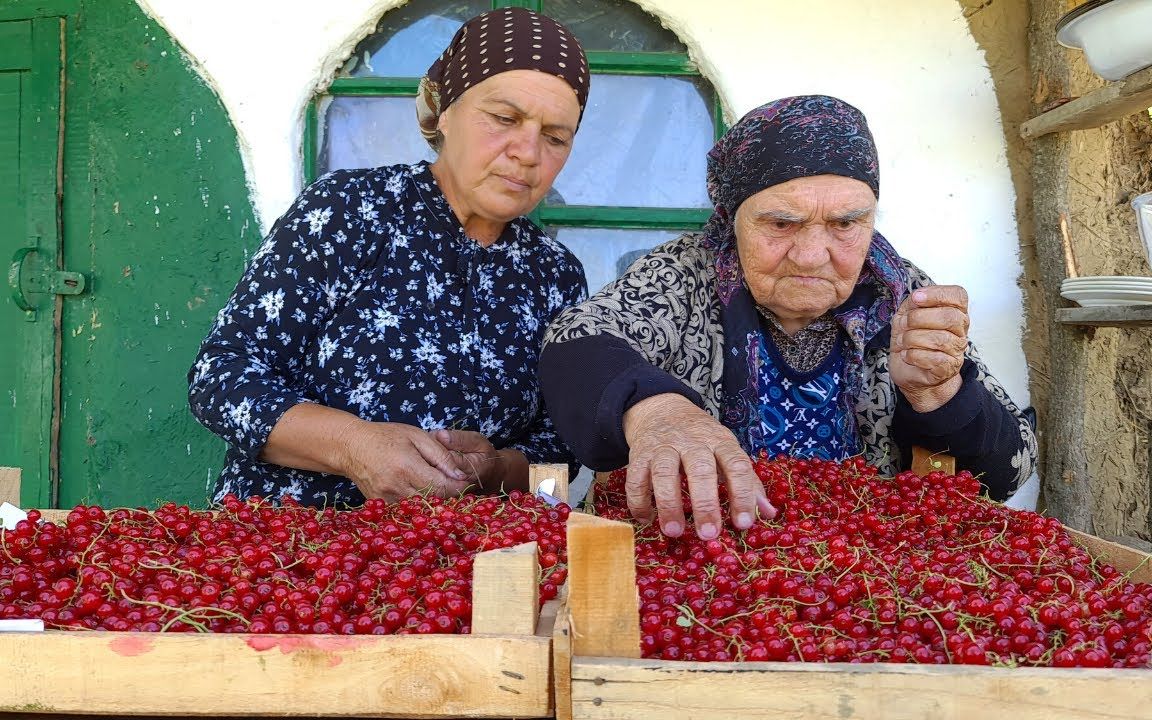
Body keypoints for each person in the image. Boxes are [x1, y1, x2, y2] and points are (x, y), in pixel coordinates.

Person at [539, 95, 1037, 540]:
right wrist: (656, 411)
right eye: (782, 223)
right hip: (699, 565)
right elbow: (575, 341)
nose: (812, 255)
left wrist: (938, 397)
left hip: (858, 580)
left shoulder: (905, 295)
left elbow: (1009, 470)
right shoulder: (682, 275)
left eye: (846, 223)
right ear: (733, 219)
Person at [189, 7, 590, 507]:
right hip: (288, 557)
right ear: (445, 112)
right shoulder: (349, 210)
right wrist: (354, 446)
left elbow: (559, 452)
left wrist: (493, 470)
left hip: (464, 568)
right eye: (504, 118)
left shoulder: (554, 274)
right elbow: (222, 378)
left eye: (555, 137)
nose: (528, 152)